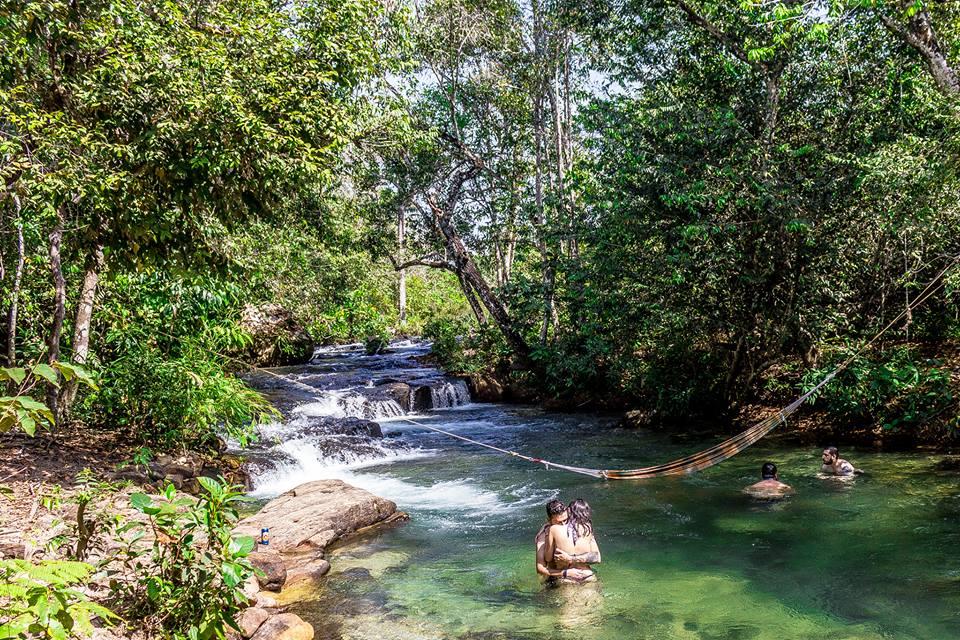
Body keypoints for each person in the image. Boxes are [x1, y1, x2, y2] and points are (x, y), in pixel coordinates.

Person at [544, 498, 601, 584]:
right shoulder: (587, 527)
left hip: (568, 577)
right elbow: (597, 558)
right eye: (559, 522)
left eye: (565, 520)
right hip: (587, 575)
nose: (563, 523)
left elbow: (548, 558)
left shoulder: (553, 529)